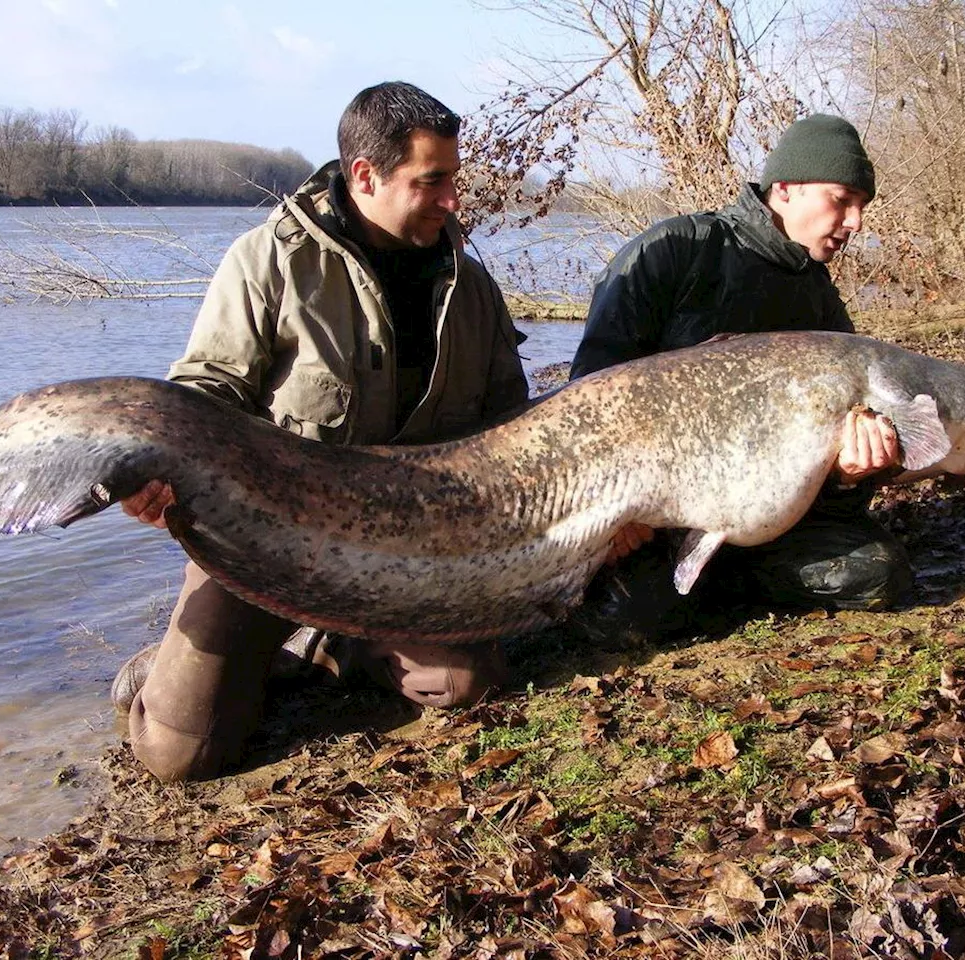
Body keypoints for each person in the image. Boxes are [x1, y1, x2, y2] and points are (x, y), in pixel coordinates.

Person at [110, 82, 529, 782]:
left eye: (454, 178)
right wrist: (156, 475)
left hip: (410, 557)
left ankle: (329, 645)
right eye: (433, 181)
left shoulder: (471, 287)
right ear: (365, 176)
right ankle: (172, 666)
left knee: (463, 689)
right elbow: (203, 395)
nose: (454, 199)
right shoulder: (267, 261)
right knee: (178, 755)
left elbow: (513, 426)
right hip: (261, 550)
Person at [570, 114, 912, 637]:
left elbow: (827, 469)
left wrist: (848, 476)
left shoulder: (821, 304)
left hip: (769, 518)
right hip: (654, 514)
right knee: (624, 623)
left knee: (880, 576)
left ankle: (724, 577)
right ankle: (693, 581)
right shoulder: (678, 248)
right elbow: (586, 399)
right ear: (786, 188)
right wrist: (613, 514)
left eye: (862, 206)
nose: (856, 222)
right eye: (842, 199)